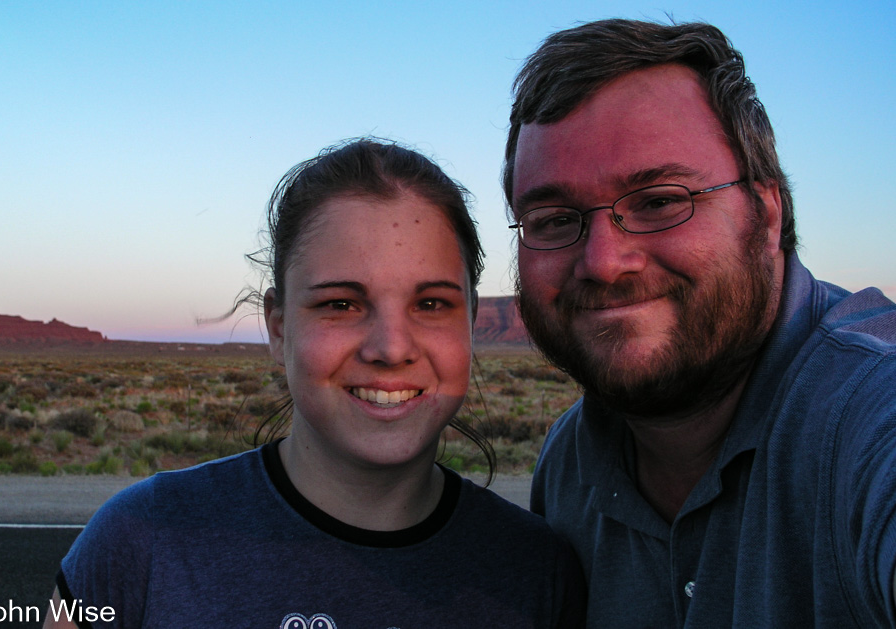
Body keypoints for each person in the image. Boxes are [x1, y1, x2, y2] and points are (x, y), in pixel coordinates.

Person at [44, 138, 583, 629]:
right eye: (341, 304)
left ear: (469, 324)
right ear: (278, 328)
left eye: (431, 303)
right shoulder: (142, 540)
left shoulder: (537, 573)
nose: (391, 348)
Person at [504, 18, 896, 627]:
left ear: (766, 214)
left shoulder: (867, 414)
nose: (604, 263)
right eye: (554, 219)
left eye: (660, 200)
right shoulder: (568, 465)